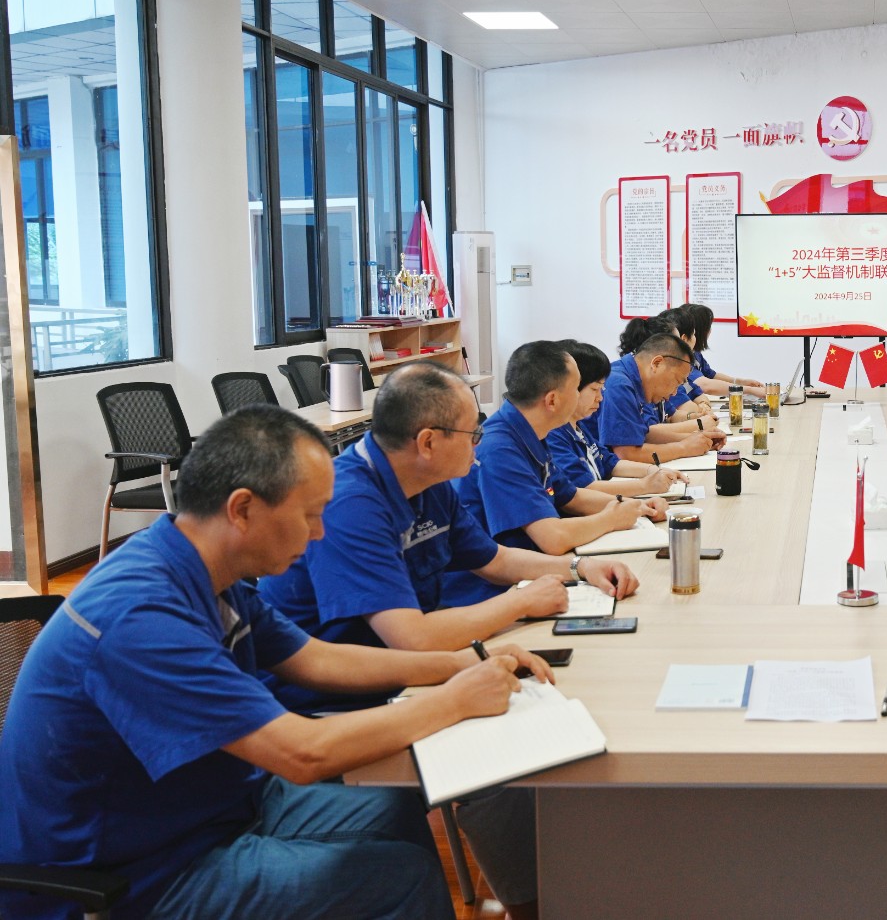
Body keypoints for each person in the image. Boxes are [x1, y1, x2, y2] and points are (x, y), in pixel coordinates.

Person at [0, 405, 547, 920]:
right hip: (138, 871)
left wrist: (464, 662)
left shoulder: (200, 568)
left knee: (394, 809)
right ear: (242, 509)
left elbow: (314, 658)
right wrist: (454, 702)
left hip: (216, 807)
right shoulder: (140, 614)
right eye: (309, 515)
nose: (320, 532)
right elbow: (301, 754)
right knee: (398, 878)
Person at [257, 362, 639, 920]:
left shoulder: (429, 485)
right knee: (502, 762)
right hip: (342, 699)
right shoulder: (350, 503)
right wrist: (516, 607)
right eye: (471, 432)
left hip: (401, 675)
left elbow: (494, 559)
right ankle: (533, 905)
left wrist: (577, 568)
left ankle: (576, 885)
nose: (479, 442)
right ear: (428, 442)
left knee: (551, 709)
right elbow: (409, 638)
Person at [450, 340, 670, 567]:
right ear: (552, 400)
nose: (598, 397)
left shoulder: (531, 431)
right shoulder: (500, 448)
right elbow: (552, 538)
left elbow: (571, 497)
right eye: (576, 388)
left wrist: (635, 506)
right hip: (501, 579)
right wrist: (611, 518)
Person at [547, 339, 689, 496]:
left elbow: (610, 462)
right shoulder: (554, 435)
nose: (600, 398)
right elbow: (582, 490)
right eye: (594, 389)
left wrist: (654, 470)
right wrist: (644, 486)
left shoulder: (577, 427)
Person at [599, 331, 725, 463]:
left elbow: (645, 434)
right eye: (676, 382)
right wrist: (684, 448)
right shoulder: (619, 385)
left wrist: (698, 439)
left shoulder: (638, 378)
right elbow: (626, 454)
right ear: (657, 363)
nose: (675, 393)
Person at [619, 314, 713, 426]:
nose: (674, 392)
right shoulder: (623, 384)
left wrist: (697, 416)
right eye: (676, 342)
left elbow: (671, 415)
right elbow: (649, 432)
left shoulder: (659, 378)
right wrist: (699, 424)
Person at [677, 302, 765, 397]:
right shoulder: (681, 358)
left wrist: (740, 382)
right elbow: (705, 385)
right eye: (708, 326)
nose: (710, 331)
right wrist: (750, 390)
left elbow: (711, 375)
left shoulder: (695, 353)